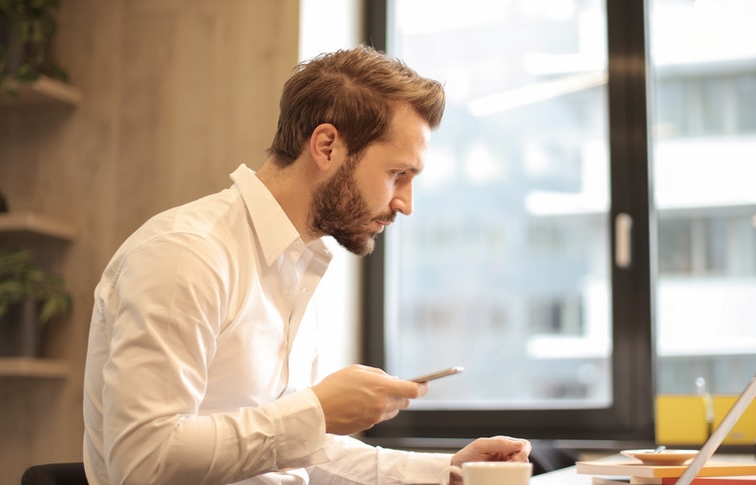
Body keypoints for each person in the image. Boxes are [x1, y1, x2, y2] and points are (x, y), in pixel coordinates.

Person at [82, 45, 531, 485]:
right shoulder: (186, 254)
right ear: (327, 146)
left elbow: (292, 451)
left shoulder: (298, 266)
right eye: (398, 174)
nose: (405, 204)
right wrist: (316, 410)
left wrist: (446, 472)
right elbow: (142, 463)